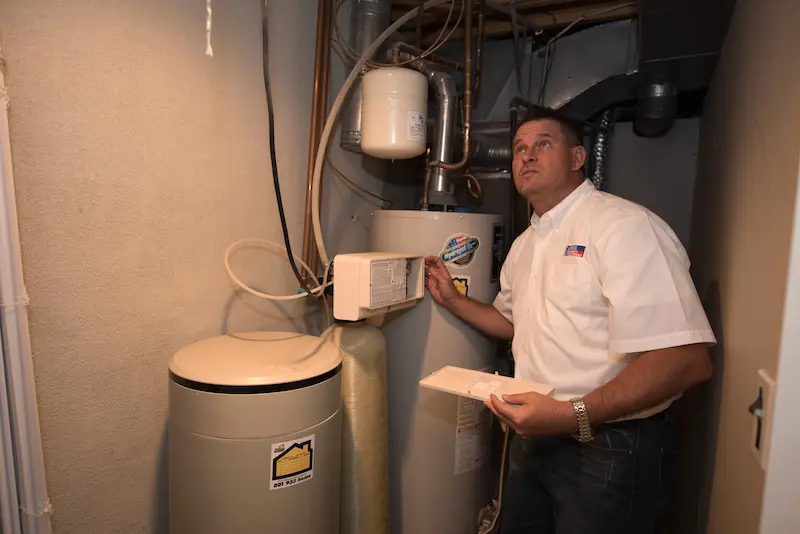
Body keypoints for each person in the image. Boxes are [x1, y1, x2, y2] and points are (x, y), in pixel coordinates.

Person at [424, 106, 715, 534]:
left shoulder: (623, 227)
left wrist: (572, 414)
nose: (526, 156)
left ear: (578, 158)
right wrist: (453, 300)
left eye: (543, 144)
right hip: (535, 438)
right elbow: (511, 322)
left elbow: (685, 358)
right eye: (520, 148)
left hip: (609, 448)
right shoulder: (526, 245)